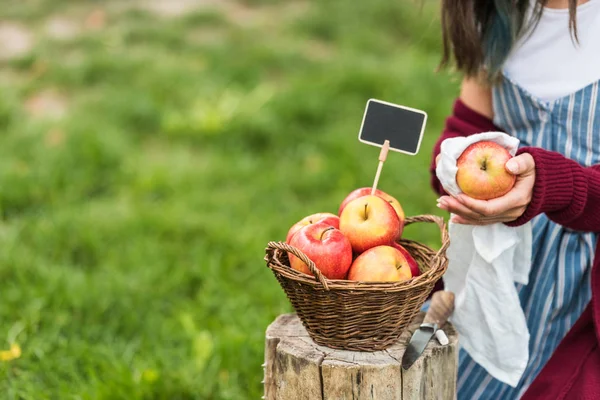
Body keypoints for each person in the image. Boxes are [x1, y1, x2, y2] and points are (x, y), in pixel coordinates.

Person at [430, 0, 600, 398]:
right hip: (506, 261)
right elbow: (468, 127)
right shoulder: (498, 11)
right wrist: (459, 179)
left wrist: (554, 185)